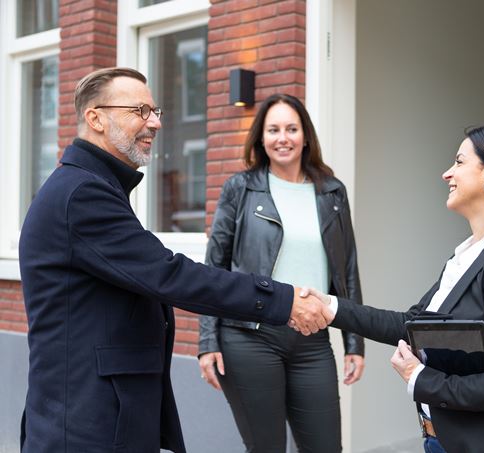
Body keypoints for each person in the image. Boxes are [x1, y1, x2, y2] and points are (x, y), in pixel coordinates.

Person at [18, 68, 331, 453]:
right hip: (87, 423)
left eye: (156, 110)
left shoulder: (90, 186)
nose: (155, 122)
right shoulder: (82, 194)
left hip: (98, 413)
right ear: (95, 118)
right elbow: (168, 274)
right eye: (140, 110)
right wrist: (283, 301)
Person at [302, 125, 484, 453]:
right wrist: (331, 307)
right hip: (440, 440)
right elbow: (411, 324)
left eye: (460, 162)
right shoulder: (465, 256)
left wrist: (422, 379)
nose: (447, 173)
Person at [197, 93, 365, 453]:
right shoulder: (240, 189)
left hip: (313, 340)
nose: (282, 137)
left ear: (306, 136)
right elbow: (215, 268)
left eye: (291, 128)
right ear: (261, 137)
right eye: (273, 129)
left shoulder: (332, 192)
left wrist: (354, 340)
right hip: (249, 337)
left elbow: (346, 268)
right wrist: (208, 341)